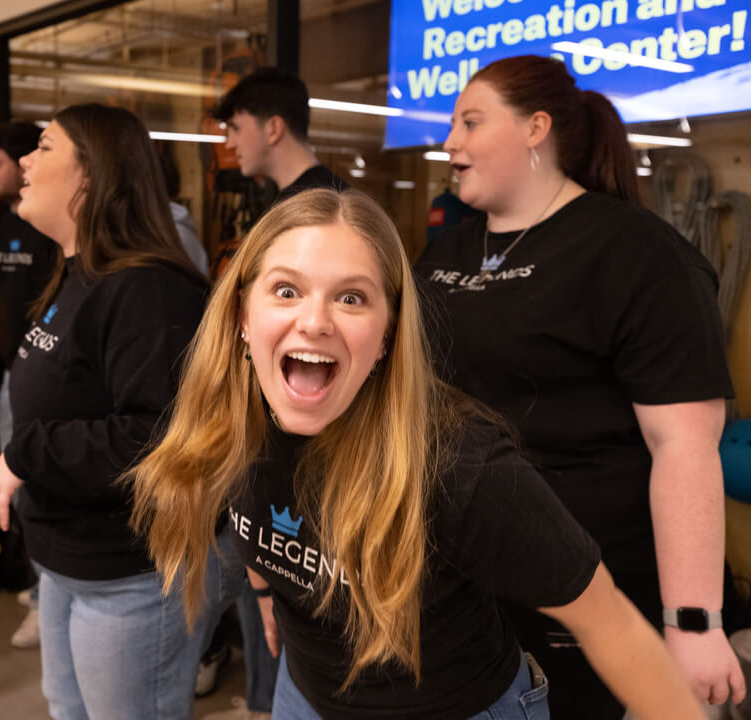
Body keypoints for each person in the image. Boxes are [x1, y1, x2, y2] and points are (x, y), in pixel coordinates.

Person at [131, 186, 716, 720]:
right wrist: (266, 595)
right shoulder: (227, 426)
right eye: (286, 290)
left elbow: (611, 625)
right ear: (242, 314)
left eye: (352, 298)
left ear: (386, 335)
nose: (314, 321)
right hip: (305, 693)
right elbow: (259, 515)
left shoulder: (462, 469)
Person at [414, 54, 746, 717]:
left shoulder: (636, 252)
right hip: (469, 587)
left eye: (471, 121)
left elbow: (684, 445)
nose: (450, 142)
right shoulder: (448, 252)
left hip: (598, 589)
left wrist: (693, 622)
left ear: (536, 128)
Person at [0, 103, 235, 720]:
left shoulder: (146, 288)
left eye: (42, 147)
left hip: (130, 577)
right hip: (68, 562)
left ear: (89, 175)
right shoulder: (76, 276)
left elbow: (158, 435)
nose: (24, 163)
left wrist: (24, 455)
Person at [207, 66, 350, 719]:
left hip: (296, 448)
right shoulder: (284, 204)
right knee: (259, 584)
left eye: (236, 127)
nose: (230, 141)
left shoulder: (319, 210)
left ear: (271, 126)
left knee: (279, 592)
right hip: (262, 442)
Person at [0, 121, 58, 649]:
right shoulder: (0, 226)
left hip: (42, 373)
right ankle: (36, 588)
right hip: (7, 369)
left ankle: (44, 594)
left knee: (35, 480)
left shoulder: (47, 228)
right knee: (16, 482)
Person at [214, 67, 345, 203]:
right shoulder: (320, 197)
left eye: (236, 128)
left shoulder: (317, 210)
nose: (229, 144)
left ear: (274, 129)